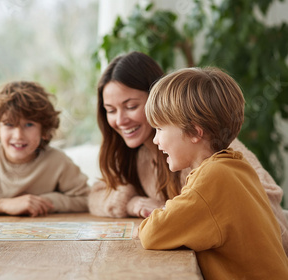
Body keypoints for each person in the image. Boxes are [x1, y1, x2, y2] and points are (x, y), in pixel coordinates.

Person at [87, 51, 288, 255]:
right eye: (110, 110)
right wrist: (132, 203)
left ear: (160, 100)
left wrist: (174, 213)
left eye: (131, 106)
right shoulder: (136, 155)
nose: (120, 120)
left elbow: (260, 208)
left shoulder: (213, 149)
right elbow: (94, 195)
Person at [138, 67, 288, 279]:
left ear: (194, 133)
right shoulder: (236, 165)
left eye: (160, 129)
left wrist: (160, 212)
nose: (155, 140)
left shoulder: (213, 178)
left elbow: (152, 234)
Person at [0, 81, 90, 217]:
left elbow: (87, 198)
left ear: (44, 129)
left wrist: (46, 201)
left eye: (29, 124)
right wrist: (1, 204)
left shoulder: (57, 161)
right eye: (9, 124)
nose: (18, 135)